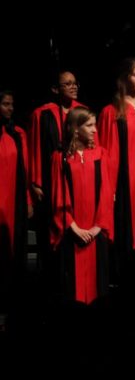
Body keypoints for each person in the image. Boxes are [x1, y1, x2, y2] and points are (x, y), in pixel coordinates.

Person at [98, 57, 135, 269]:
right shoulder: (111, 111)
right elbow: (107, 152)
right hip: (124, 179)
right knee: (125, 221)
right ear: (125, 78)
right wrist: (110, 186)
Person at [50, 106, 113, 304]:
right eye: (90, 125)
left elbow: (106, 193)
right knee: (72, 292)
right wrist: (74, 227)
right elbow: (58, 195)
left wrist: (96, 228)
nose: (95, 130)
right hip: (72, 233)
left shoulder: (100, 154)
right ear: (76, 129)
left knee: (98, 290)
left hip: (96, 233)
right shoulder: (61, 158)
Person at [27, 70, 85, 278]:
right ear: (55, 89)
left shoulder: (83, 112)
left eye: (75, 83)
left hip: (78, 179)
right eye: (67, 84)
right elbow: (34, 150)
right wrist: (35, 183)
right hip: (52, 182)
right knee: (52, 232)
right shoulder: (42, 114)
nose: (73, 87)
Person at [0, 89, 29, 303]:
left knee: (13, 247)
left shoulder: (18, 133)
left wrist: (28, 199)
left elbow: (25, 169)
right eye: (5, 104)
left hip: (14, 199)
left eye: (12, 104)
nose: (10, 109)